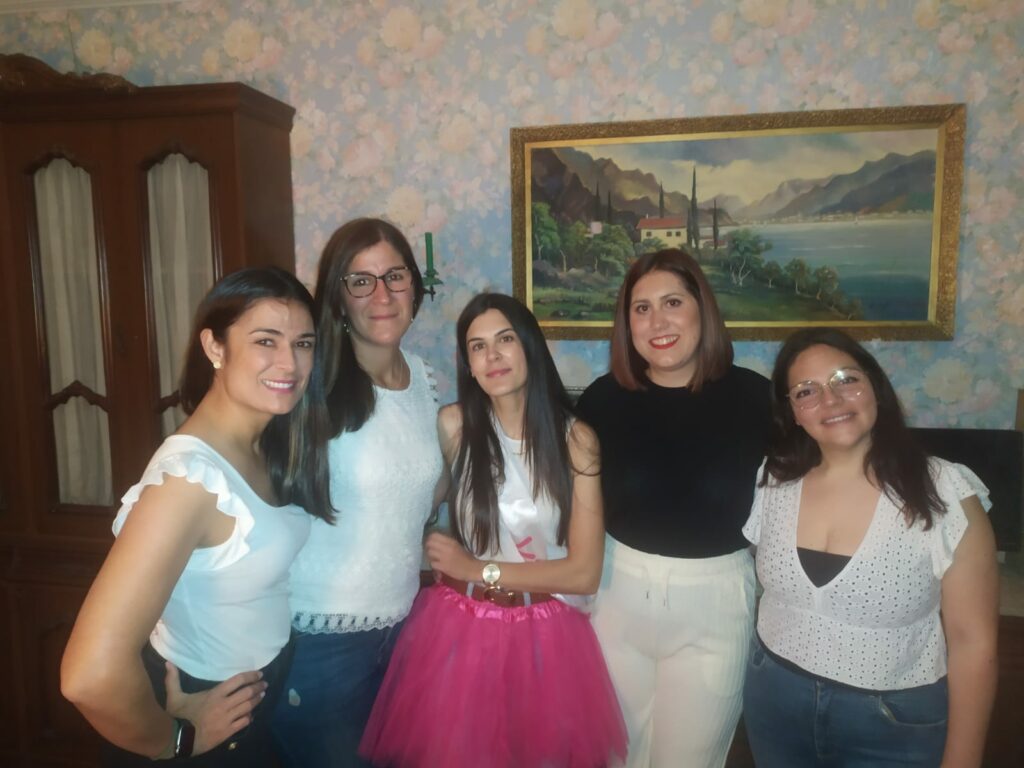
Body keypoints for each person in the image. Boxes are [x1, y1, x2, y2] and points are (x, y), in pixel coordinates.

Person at [60, 267, 320, 766]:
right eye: (266, 340)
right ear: (214, 347)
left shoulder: (261, 446)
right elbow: (88, 675)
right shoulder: (188, 481)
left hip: (252, 704)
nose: (290, 362)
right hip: (204, 713)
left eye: (303, 344)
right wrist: (174, 741)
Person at [359, 292, 627, 768]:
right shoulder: (454, 426)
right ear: (468, 363)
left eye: (505, 339)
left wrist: (478, 569)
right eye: (477, 346)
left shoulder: (576, 440)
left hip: (547, 634)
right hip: (462, 630)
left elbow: (584, 574)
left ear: (529, 347)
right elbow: (413, 498)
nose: (493, 356)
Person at [742, 327, 999, 767]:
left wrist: (964, 759)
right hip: (773, 701)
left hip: (892, 722)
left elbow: (973, 643)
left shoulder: (945, 490)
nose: (831, 400)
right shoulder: (775, 478)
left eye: (845, 379)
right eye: (807, 391)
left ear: (875, 387)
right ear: (793, 412)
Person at [575, 248, 771, 768]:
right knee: (613, 757)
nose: (657, 322)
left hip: (716, 605)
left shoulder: (757, 400)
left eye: (673, 303)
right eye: (641, 309)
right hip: (616, 598)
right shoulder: (601, 401)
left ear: (702, 309)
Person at [271, 218, 444, 768]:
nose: (382, 295)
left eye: (395, 276)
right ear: (339, 297)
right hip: (321, 640)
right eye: (361, 281)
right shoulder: (310, 385)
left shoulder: (424, 379)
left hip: (402, 627)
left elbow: (418, 495)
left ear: (414, 285)